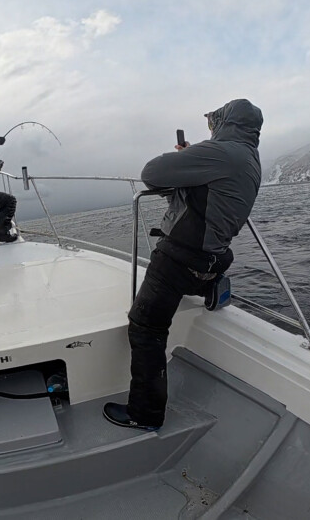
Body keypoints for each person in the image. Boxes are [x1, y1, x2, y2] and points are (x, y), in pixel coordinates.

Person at [103, 98, 263, 431]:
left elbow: (151, 173)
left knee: (145, 327)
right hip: (212, 256)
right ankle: (210, 285)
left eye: (214, 123)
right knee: (196, 274)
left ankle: (145, 414)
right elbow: (198, 199)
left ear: (226, 123)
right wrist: (194, 163)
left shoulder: (222, 153)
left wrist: (188, 157)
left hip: (179, 259)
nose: (212, 128)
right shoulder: (249, 157)